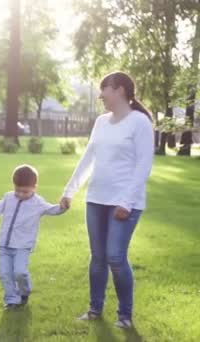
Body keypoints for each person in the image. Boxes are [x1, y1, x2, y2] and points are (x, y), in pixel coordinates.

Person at [60, 71, 154, 329]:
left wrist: (127, 201)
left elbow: (144, 165)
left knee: (115, 256)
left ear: (121, 90)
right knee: (98, 257)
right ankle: (94, 309)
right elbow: (88, 158)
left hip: (125, 203)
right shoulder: (101, 122)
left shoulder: (139, 123)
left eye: (105, 89)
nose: (101, 95)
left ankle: (125, 315)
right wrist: (70, 191)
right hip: (96, 199)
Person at [0, 164, 67, 309]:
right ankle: (12, 299)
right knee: (4, 273)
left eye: (25, 191)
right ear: (14, 186)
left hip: (22, 246)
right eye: (17, 190)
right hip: (3, 244)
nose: (21, 194)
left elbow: (53, 210)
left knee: (20, 272)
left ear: (34, 187)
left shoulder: (38, 203)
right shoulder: (8, 197)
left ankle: (24, 291)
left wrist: (63, 207)